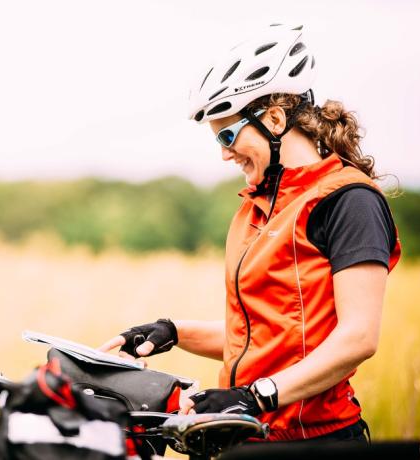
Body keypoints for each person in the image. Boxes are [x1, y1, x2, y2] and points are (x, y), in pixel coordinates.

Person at [100, 24, 401, 442]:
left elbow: (358, 337)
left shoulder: (349, 200)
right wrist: (173, 331)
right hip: (250, 436)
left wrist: (254, 396)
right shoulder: (256, 206)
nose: (224, 154)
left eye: (228, 135)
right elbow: (265, 339)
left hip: (315, 440)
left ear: (275, 119)